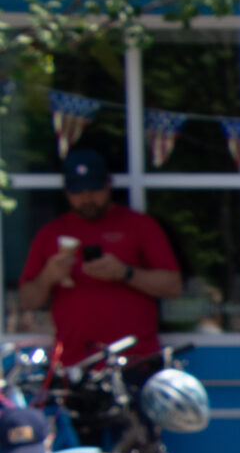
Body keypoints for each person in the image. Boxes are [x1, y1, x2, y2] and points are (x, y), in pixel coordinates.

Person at [15, 147, 183, 423]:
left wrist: (125, 273)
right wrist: (48, 276)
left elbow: (173, 286)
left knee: (136, 449)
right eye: (78, 192)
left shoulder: (138, 225)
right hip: (74, 366)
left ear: (108, 185)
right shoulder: (51, 234)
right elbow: (27, 300)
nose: (87, 198)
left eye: (94, 189)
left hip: (134, 363)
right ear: (67, 192)